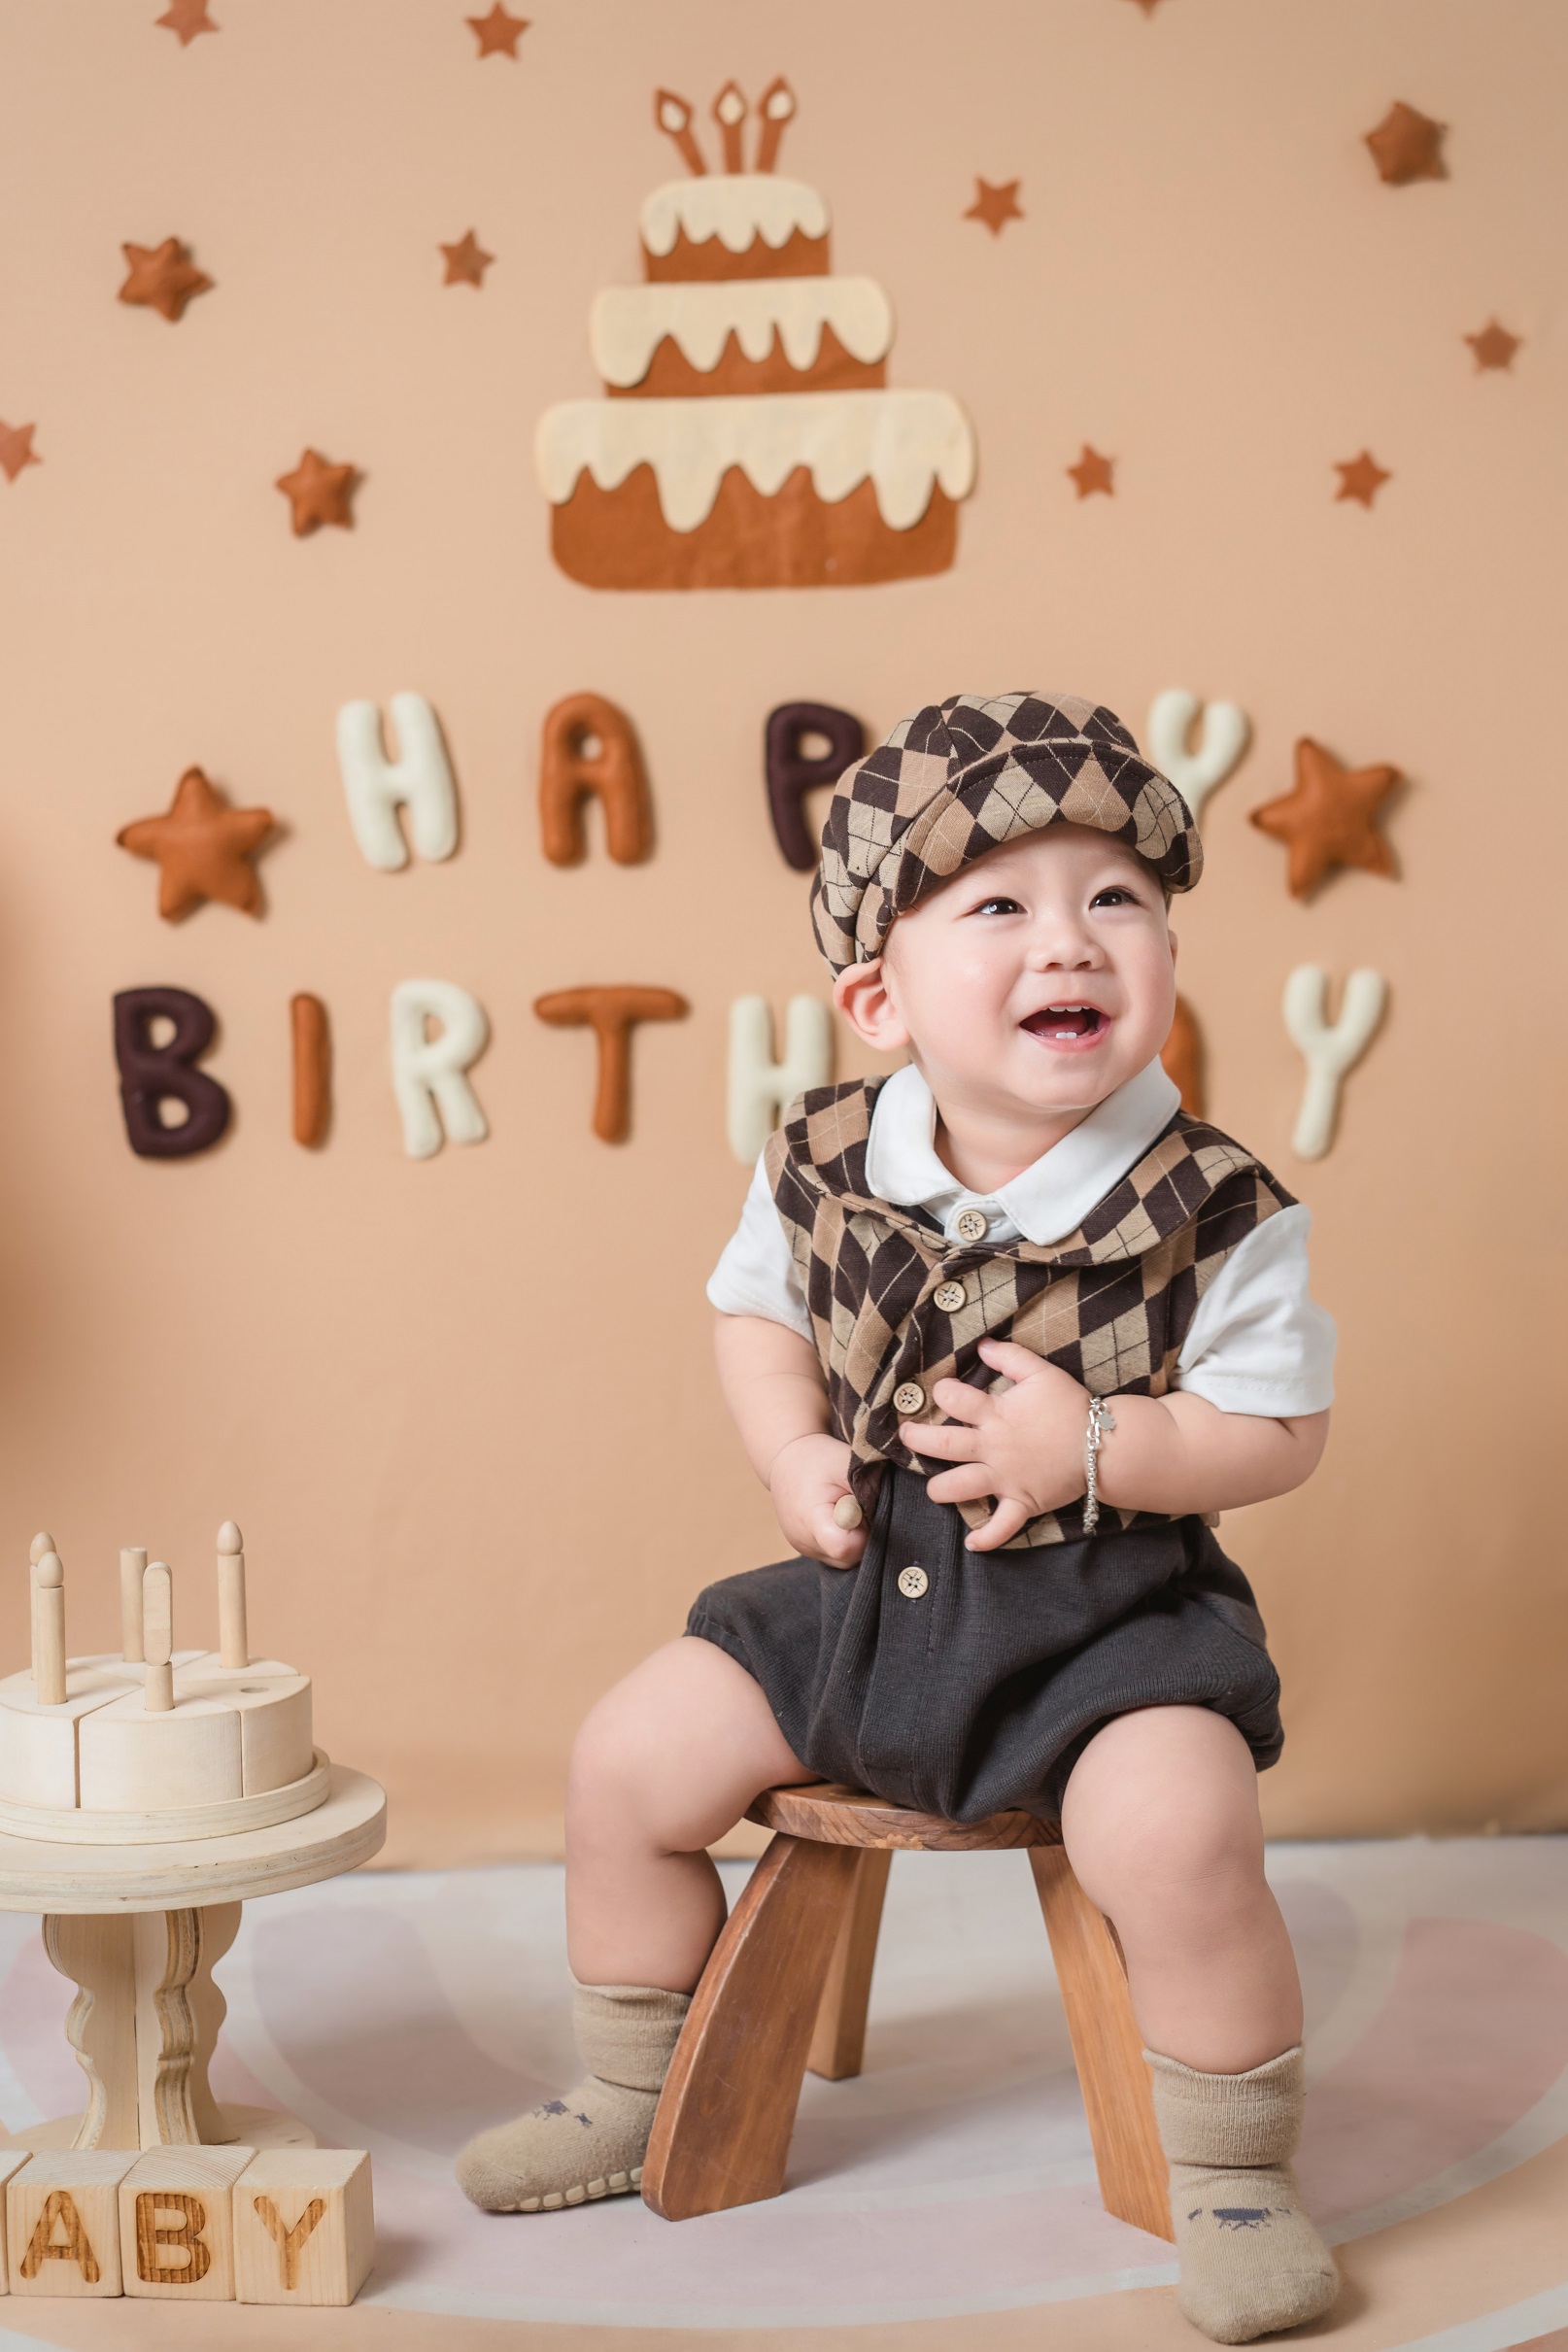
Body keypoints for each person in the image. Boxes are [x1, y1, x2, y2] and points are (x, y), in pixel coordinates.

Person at [459, 693, 1341, 2345]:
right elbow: (753, 1316)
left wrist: (1101, 1439)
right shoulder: (823, 1157)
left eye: (1115, 897)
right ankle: (633, 2083)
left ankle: (1235, 2171)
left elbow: (1277, 1431)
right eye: (999, 904)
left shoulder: (1212, 1208)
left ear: (1164, 952)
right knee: (626, 1759)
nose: (1068, 938)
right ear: (878, 992)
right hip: (863, 1591)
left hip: (1103, 1626)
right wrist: (791, 1447)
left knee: (1178, 1832)